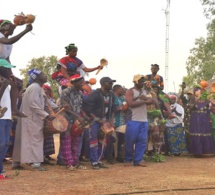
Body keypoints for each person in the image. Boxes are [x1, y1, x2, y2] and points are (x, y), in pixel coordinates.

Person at [12, 69, 55, 171]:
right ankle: (35, 164)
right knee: (35, 140)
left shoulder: (37, 88)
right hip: (31, 118)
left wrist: (59, 107)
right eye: (42, 74)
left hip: (31, 118)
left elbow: (46, 102)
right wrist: (46, 115)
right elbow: (33, 104)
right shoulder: (35, 87)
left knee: (23, 140)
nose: (45, 75)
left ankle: (16, 163)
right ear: (36, 77)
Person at [0, 19, 33, 117]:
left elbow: (7, 59)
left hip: (2, 65)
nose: (13, 27)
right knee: (4, 82)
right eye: (10, 26)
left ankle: (14, 109)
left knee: (17, 83)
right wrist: (25, 31)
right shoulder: (1, 37)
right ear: (3, 27)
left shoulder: (9, 44)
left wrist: (11, 74)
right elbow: (9, 40)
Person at [84, 77, 116, 169]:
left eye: (111, 83)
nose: (111, 85)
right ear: (102, 84)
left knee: (102, 141)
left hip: (105, 121)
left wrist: (111, 120)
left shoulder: (111, 94)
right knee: (93, 141)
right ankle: (94, 161)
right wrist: (97, 119)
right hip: (94, 121)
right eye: (109, 83)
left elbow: (113, 109)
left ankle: (99, 160)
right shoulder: (95, 94)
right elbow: (87, 109)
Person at [60, 74, 89, 171]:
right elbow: (65, 107)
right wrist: (78, 116)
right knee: (66, 141)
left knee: (76, 142)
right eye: (81, 82)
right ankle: (69, 163)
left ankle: (75, 162)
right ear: (74, 82)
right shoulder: (65, 92)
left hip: (76, 120)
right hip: (67, 119)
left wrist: (83, 115)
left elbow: (80, 107)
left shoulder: (80, 93)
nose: (83, 84)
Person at [124, 74, 153, 167]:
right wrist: (144, 101)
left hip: (143, 120)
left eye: (143, 81)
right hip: (133, 119)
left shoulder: (144, 91)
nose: (142, 83)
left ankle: (138, 160)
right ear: (135, 81)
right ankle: (128, 159)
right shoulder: (130, 91)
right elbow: (130, 103)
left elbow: (152, 100)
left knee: (142, 141)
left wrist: (148, 96)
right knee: (130, 140)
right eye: (140, 81)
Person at [188, 85, 215, 156]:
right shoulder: (192, 100)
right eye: (197, 92)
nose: (199, 93)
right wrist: (195, 101)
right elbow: (189, 109)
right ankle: (197, 152)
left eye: (200, 92)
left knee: (204, 132)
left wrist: (212, 102)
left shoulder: (206, 101)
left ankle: (205, 151)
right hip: (195, 119)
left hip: (204, 119)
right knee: (196, 133)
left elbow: (210, 110)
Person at [0, 60, 14, 179]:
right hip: (1, 118)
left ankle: (1, 170)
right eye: (7, 69)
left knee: (5, 144)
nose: (10, 71)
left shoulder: (7, 83)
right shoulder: (3, 84)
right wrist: (3, 87)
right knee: (2, 143)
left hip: (7, 116)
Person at [42, 84, 57, 164]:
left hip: (49, 119)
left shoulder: (49, 99)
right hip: (45, 119)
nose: (45, 90)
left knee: (48, 138)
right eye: (44, 89)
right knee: (44, 138)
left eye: (46, 89)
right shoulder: (42, 97)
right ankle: (43, 156)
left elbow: (53, 106)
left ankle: (46, 155)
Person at [113, 84, 127, 162]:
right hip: (113, 121)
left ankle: (119, 156)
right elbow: (111, 109)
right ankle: (111, 156)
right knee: (113, 140)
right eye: (121, 89)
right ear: (116, 90)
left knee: (121, 140)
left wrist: (124, 108)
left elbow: (125, 106)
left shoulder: (123, 98)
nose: (122, 91)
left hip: (121, 121)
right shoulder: (112, 98)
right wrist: (120, 108)